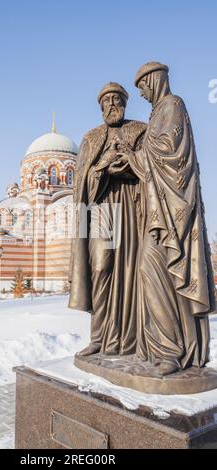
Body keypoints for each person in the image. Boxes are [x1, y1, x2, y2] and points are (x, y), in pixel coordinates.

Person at [118, 62, 215, 376]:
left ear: (153, 80)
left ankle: (171, 352)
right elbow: (150, 163)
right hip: (156, 211)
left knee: (154, 270)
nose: (143, 95)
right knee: (154, 275)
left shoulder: (172, 105)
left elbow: (169, 153)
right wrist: (130, 158)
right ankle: (163, 349)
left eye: (143, 88)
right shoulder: (157, 111)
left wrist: (133, 155)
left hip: (172, 215)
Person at [69, 82, 146, 356]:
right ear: (100, 106)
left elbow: (151, 169)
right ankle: (100, 338)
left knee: (131, 272)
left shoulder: (139, 131)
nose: (112, 104)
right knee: (101, 269)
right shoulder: (91, 138)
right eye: (107, 100)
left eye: (117, 99)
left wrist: (128, 164)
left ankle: (131, 340)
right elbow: (82, 184)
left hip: (132, 209)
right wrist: (104, 166)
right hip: (102, 212)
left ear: (125, 103)